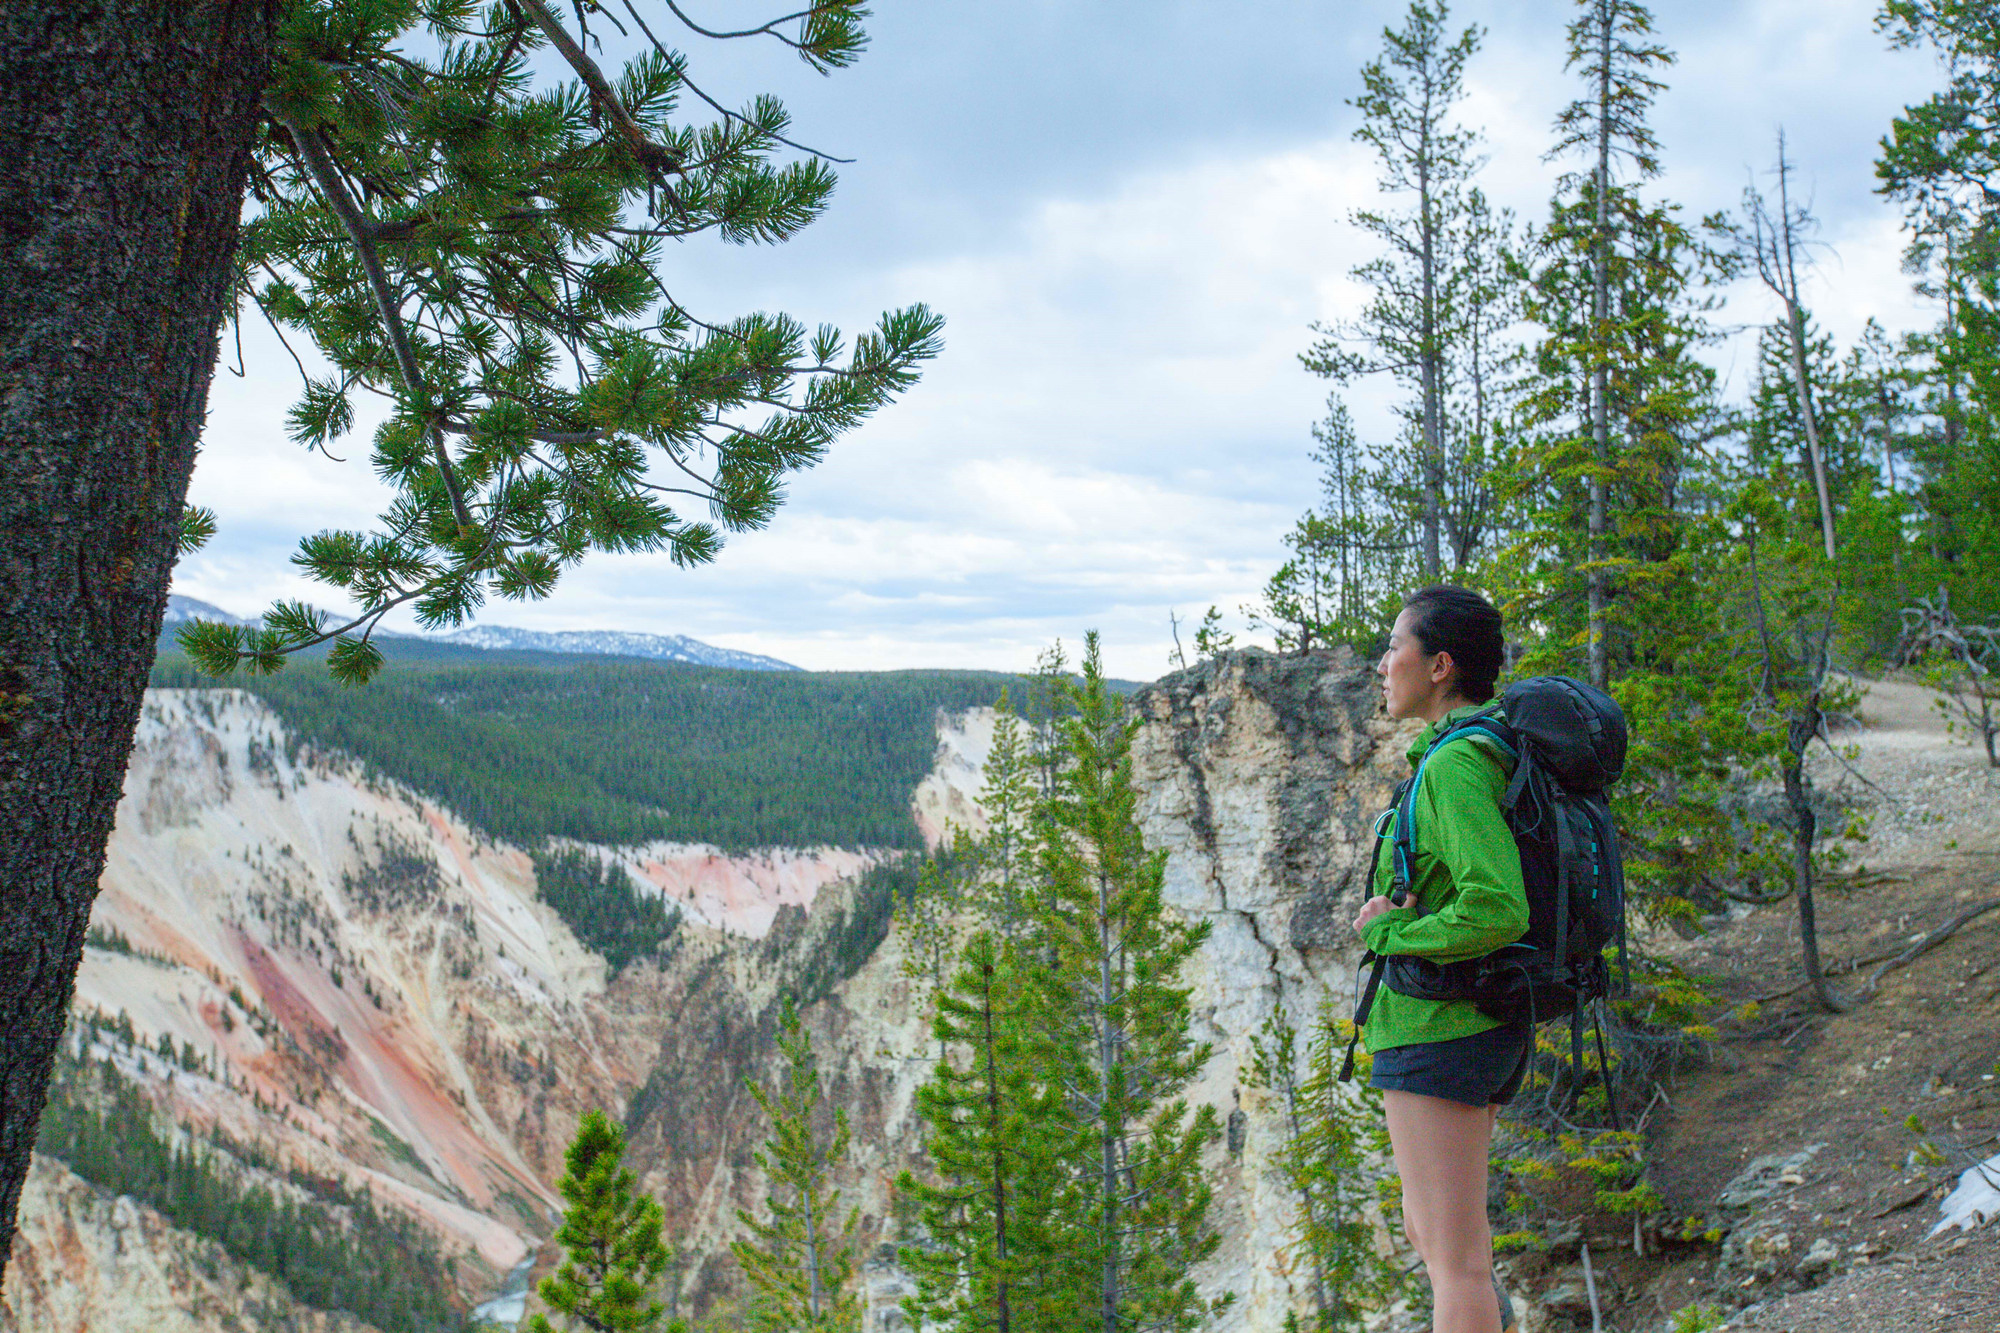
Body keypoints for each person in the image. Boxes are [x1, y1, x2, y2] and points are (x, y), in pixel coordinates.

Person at [1353, 585, 1528, 1333]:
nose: (1384, 664)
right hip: (1456, 1025)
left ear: (1441, 665)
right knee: (1440, 1242)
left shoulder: (1457, 766)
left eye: (1396, 647)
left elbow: (1497, 905)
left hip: (1440, 1028)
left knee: (1456, 1265)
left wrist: (1392, 934)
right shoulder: (1474, 751)